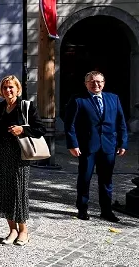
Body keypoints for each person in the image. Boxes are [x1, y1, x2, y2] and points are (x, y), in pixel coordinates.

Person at [0, 75, 45, 246]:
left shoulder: (26, 106)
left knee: (18, 192)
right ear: (1, 90)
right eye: (5, 87)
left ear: (18, 89)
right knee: (4, 192)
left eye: (11, 87)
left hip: (19, 156)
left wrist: (22, 130)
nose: (8, 90)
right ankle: (12, 230)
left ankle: (24, 231)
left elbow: (40, 129)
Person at [64, 71, 128, 223]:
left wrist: (122, 143)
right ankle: (82, 209)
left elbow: (121, 122)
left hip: (108, 146)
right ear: (86, 84)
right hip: (87, 146)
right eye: (92, 82)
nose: (96, 84)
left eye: (99, 81)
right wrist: (73, 144)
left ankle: (106, 211)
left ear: (104, 83)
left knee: (106, 180)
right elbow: (69, 124)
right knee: (85, 178)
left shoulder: (113, 98)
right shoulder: (78, 100)